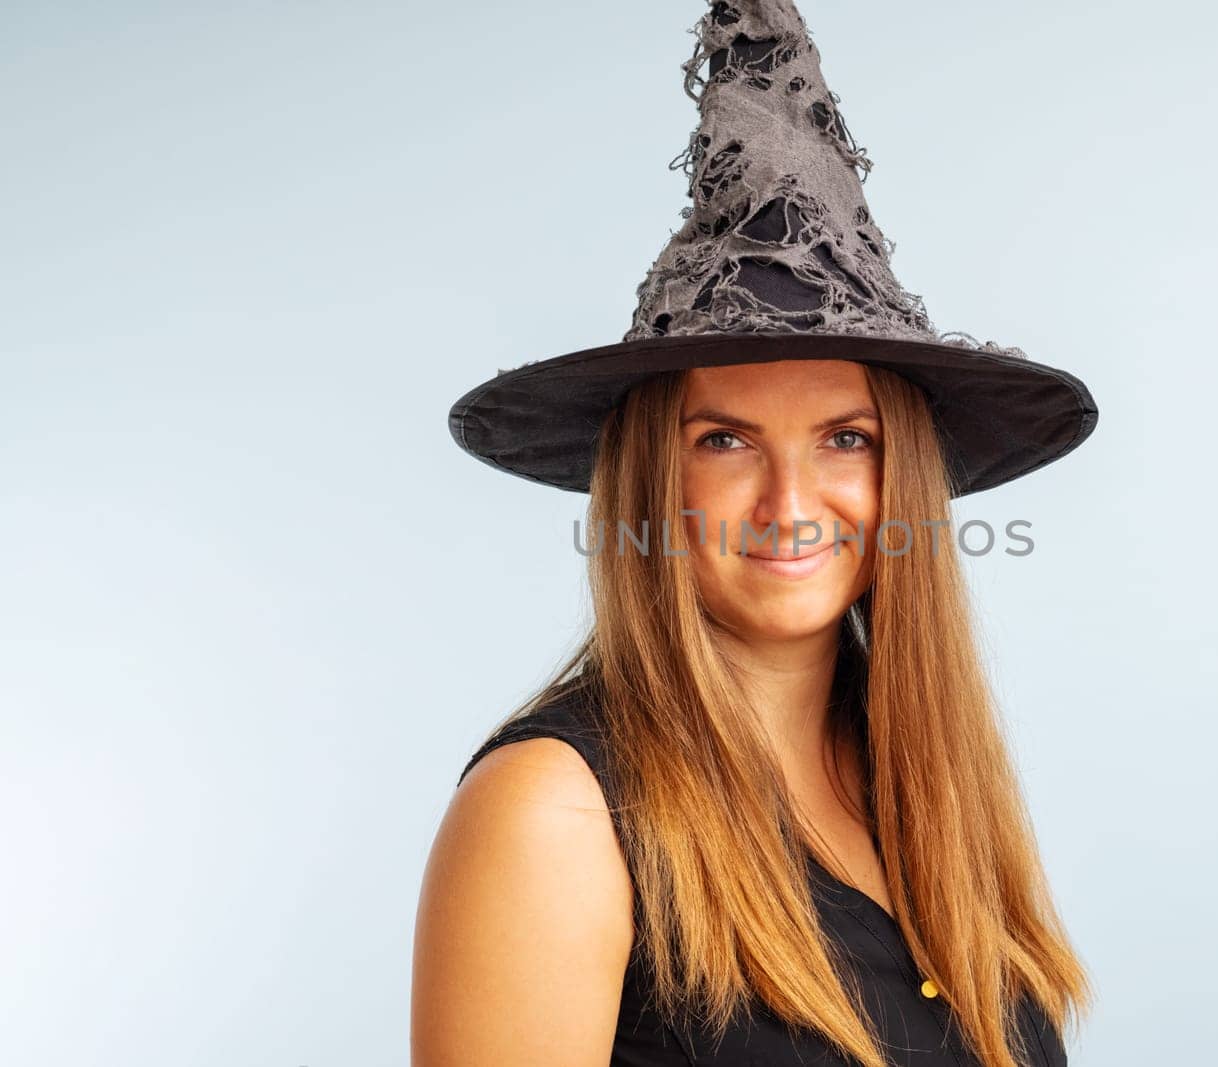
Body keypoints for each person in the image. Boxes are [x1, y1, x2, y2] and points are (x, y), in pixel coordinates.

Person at [412, 2, 1099, 1064]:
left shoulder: (920, 781)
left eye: (844, 438)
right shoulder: (556, 814)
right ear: (649, 481)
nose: (790, 500)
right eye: (725, 439)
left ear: (900, 473)